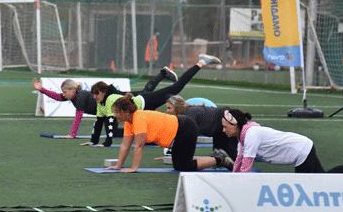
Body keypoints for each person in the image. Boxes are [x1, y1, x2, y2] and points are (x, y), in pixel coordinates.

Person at [88, 54, 221, 146]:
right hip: (143, 108)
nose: (94, 97)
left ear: (103, 92)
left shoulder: (110, 99)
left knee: (177, 87)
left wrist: (107, 142)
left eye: (96, 94)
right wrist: (93, 141)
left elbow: (110, 122)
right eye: (93, 95)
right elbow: (99, 122)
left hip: (146, 102)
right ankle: (163, 73)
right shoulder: (101, 103)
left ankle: (201, 62)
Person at [31, 66, 177, 139]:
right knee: (145, 93)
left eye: (65, 92)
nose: (63, 95)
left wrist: (72, 134)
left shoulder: (80, 96)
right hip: (110, 106)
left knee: (146, 93)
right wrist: (41, 89)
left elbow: (78, 117)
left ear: (72, 89)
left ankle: (163, 74)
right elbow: (57, 97)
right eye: (63, 92)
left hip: (117, 99)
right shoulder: (73, 96)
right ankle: (163, 75)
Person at [221, 108, 343, 174]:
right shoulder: (243, 137)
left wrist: (236, 185)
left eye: (225, 126)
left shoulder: (251, 135)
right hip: (303, 146)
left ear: (234, 125)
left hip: (300, 151)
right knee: (323, 178)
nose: (223, 130)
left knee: (311, 185)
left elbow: (245, 169)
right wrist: (233, 178)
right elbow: (238, 162)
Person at [106, 96, 230, 172]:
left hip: (185, 128)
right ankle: (218, 157)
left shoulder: (139, 118)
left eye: (117, 112)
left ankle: (220, 159)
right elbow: (125, 145)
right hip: (180, 130)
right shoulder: (129, 122)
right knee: (179, 165)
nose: (115, 115)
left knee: (185, 166)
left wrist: (134, 168)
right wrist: (118, 165)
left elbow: (139, 145)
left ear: (126, 112)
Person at [167, 95, 237, 163]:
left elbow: (189, 138)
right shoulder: (186, 113)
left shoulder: (188, 115)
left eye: (169, 108)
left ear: (177, 108)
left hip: (224, 120)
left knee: (232, 156)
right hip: (218, 127)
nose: (167, 111)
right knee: (219, 156)